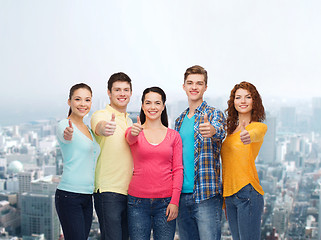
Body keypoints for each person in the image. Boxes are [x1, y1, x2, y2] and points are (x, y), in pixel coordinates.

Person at [175, 65, 226, 240]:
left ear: (205, 87)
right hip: (181, 196)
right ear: (184, 87)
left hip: (206, 195)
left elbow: (220, 131)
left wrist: (211, 130)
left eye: (199, 83)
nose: (194, 87)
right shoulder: (179, 120)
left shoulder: (214, 114)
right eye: (190, 83)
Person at [125, 87, 183, 240]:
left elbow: (178, 170)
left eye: (157, 103)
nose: (152, 107)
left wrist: (175, 201)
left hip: (166, 203)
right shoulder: (134, 131)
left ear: (163, 106)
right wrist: (134, 132)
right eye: (148, 103)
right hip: (137, 202)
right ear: (143, 106)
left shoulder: (174, 136)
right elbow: (129, 138)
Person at [221, 81, 267, 240]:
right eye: (238, 97)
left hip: (248, 192)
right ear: (233, 102)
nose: (243, 101)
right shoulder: (230, 131)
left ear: (254, 101)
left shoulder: (257, 127)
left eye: (248, 97)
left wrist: (248, 135)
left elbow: (257, 134)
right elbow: (227, 165)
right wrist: (225, 199)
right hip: (230, 196)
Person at [91, 72, 133, 240]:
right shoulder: (100, 115)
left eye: (126, 90)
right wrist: (105, 128)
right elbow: (99, 127)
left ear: (130, 93)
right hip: (108, 191)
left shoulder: (130, 121)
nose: (122, 93)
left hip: (130, 192)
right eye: (117, 90)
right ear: (109, 92)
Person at [55, 83, 100, 240]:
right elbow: (65, 135)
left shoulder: (89, 130)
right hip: (69, 195)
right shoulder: (65, 125)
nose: (83, 104)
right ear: (69, 102)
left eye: (87, 100)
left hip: (87, 196)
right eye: (78, 99)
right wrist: (68, 134)